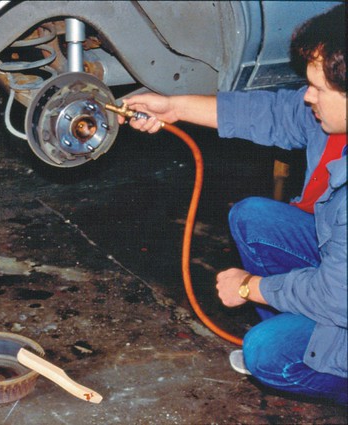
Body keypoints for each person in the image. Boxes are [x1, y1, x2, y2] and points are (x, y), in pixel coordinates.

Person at [117, 4, 346, 405]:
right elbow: (271, 112)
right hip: (337, 269)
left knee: (267, 355)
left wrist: (251, 287)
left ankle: (311, 353)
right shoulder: (328, 115)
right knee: (254, 217)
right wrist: (174, 107)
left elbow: (337, 296)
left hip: (340, 292)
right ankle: (306, 333)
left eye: (319, 89)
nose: (307, 95)